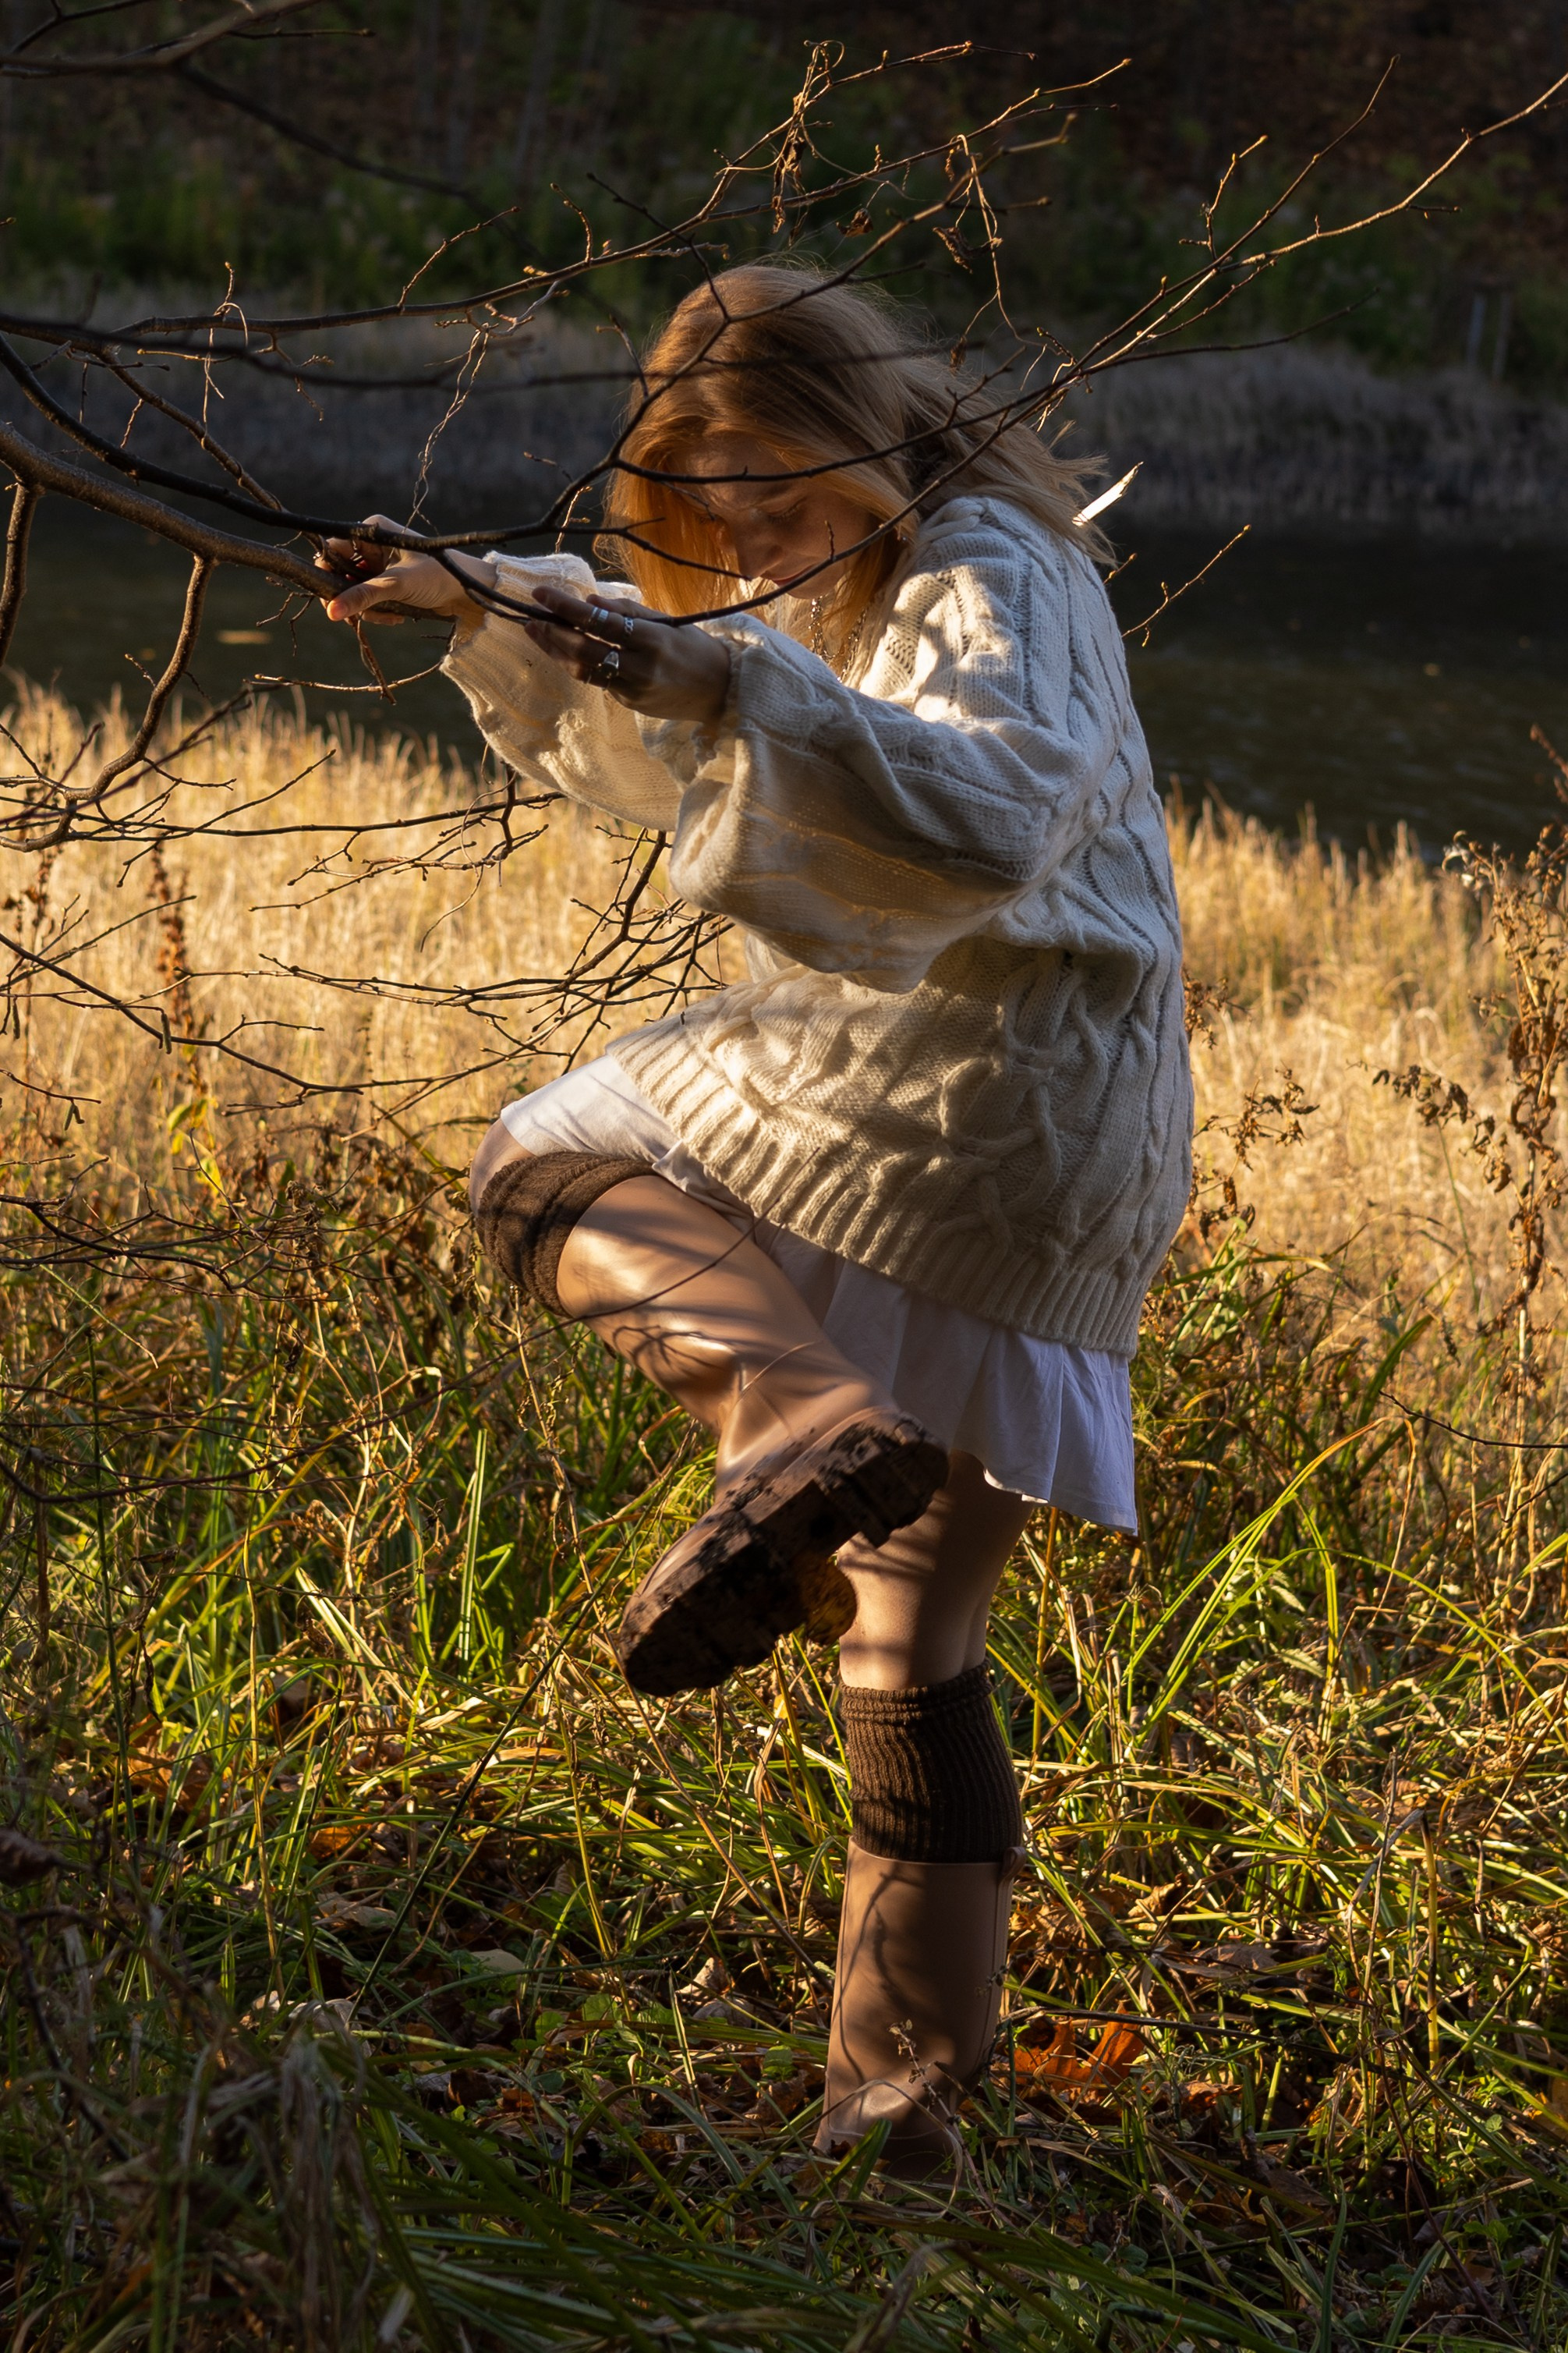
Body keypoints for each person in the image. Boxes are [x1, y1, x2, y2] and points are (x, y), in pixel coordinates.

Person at [321, 264, 1192, 2173]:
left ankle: (790, 1416)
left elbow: (982, 808)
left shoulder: (984, 565)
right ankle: (898, 2132)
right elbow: (690, 671)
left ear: (870, 428)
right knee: (908, 1644)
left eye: (774, 491)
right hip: (1055, 1139)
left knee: (551, 1159)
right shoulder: (900, 560)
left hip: (969, 1093)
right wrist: (482, 594)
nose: (745, 538)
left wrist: (723, 668)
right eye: (709, 506)